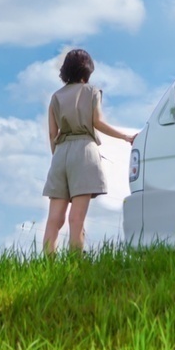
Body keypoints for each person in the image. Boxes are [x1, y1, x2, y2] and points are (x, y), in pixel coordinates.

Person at [42, 48, 136, 254]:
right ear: (88, 71)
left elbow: (52, 133)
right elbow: (97, 122)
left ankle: (47, 264)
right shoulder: (91, 92)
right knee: (76, 219)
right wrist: (125, 137)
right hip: (84, 151)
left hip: (60, 153)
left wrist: (57, 157)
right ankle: (76, 265)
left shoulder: (55, 97)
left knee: (54, 219)